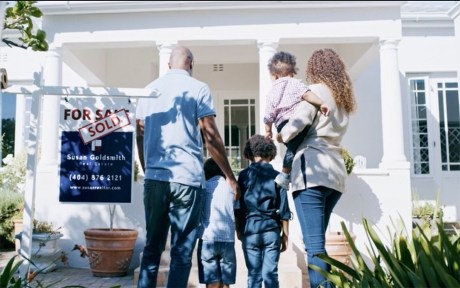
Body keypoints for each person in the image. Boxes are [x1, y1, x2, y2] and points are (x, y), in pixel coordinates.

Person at [135, 45, 240, 288]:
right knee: (181, 253)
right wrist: (230, 177)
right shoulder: (198, 88)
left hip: (155, 179)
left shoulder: (148, 90)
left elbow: (140, 135)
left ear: (169, 64)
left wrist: (147, 168)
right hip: (187, 179)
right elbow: (211, 137)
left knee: (152, 249)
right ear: (191, 64)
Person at [277, 48, 357, 288]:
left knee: (313, 246)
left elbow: (295, 126)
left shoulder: (317, 92)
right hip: (335, 174)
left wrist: (281, 135)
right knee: (318, 243)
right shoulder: (342, 97)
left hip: (312, 171)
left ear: (315, 68)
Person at [264, 51, 329, 190]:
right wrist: (322, 103)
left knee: (292, 147)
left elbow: (268, 114)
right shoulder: (295, 83)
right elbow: (307, 95)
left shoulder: (271, 92)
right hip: (295, 121)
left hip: (281, 124)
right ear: (292, 72)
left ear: (274, 74)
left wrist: (268, 131)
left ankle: (289, 167)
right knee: (295, 147)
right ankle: (284, 174)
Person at [235, 134, 292, 288]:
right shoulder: (277, 177)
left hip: (250, 230)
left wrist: (238, 230)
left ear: (250, 153)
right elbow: (284, 209)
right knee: (271, 274)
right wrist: (285, 236)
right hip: (271, 231)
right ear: (270, 153)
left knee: (254, 275)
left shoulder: (243, 176)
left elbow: (238, 206)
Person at [197, 157, 239, 288]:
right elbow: (237, 211)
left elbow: (198, 213)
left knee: (212, 281)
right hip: (228, 238)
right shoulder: (232, 188)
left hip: (208, 237)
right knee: (226, 282)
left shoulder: (204, 188)